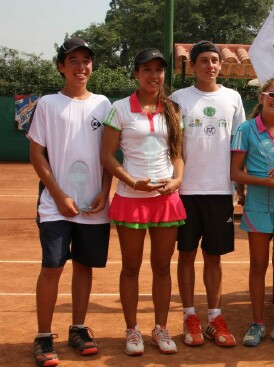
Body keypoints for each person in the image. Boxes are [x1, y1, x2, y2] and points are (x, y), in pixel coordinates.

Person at [28, 37, 112, 367]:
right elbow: (37, 153)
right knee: (52, 266)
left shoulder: (104, 104)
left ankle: (78, 329)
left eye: (86, 61)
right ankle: (44, 336)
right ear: (61, 67)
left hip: (93, 206)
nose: (81, 67)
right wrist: (59, 195)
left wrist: (106, 191)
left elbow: (109, 155)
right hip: (55, 205)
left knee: (84, 267)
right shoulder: (48, 104)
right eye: (73, 61)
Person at [101, 48, 186, 355]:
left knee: (162, 267)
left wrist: (176, 181)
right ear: (136, 74)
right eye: (147, 69)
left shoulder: (173, 109)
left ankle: (161, 329)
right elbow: (107, 156)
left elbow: (177, 155)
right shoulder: (119, 108)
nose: (154, 75)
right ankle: (132, 330)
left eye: (158, 70)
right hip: (131, 198)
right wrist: (130, 181)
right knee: (131, 267)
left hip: (166, 200)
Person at [170, 40, 246, 347]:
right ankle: (190, 316)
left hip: (219, 191)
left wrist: (239, 186)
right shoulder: (178, 98)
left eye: (215, 60)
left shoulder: (233, 98)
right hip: (186, 191)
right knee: (186, 255)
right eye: (204, 61)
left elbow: (239, 146)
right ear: (193, 65)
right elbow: (172, 146)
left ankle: (214, 317)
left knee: (213, 257)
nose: (210, 65)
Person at [230, 77, 274, 349]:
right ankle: (257, 323)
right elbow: (235, 172)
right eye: (272, 94)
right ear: (261, 97)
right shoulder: (245, 129)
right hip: (257, 206)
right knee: (258, 267)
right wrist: (263, 182)